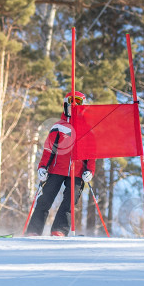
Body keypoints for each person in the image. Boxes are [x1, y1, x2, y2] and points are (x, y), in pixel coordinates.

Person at [25, 91, 95, 237]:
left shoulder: (88, 130)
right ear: (65, 107)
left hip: (77, 172)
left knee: (70, 201)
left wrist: (90, 170)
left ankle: (59, 230)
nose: (73, 109)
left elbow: (91, 154)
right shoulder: (59, 127)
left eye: (77, 106)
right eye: (70, 106)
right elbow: (48, 149)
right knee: (45, 199)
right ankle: (34, 230)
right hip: (56, 169)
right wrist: (43, 167)